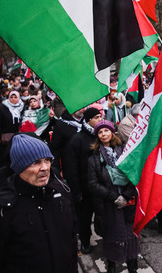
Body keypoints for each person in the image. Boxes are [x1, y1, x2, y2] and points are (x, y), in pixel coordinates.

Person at [0, 134, 77, 272]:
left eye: (47, 160)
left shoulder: (61, 192)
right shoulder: (2, 210)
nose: (45, 168)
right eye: (35, 162)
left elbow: (71, 240)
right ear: (19, 167)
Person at [88, 120, 139, 273]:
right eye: (100, 132)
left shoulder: (125, 151)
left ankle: (132, 266)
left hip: (127, 201)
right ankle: (111, 265)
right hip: (108, 204)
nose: (104, 134)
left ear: (112, 132)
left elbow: (134, 174)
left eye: (106, 131)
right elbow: (92, 183)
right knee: (111, 236)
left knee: (130, 235)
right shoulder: (94, 158)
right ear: (97, 136)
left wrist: (126, 195)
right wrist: (114, 197)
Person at [62, 107, 103, 254]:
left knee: (103, 213)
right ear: (88, 120)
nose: (100, 120)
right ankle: (85, 241)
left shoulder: (102, 136)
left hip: (101, 186)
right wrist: (77, 191)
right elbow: (71, 168)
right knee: (85, 217)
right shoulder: (77, 140)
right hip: (85, 188)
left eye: (101, 116)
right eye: (96, 117)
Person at [0, 90, 24, 167]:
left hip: (18, 136)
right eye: (11, 97)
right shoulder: (2, 107)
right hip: (5, 137)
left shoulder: (22, 107)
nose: (13, 99)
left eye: (15, 97)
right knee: (4, 156)